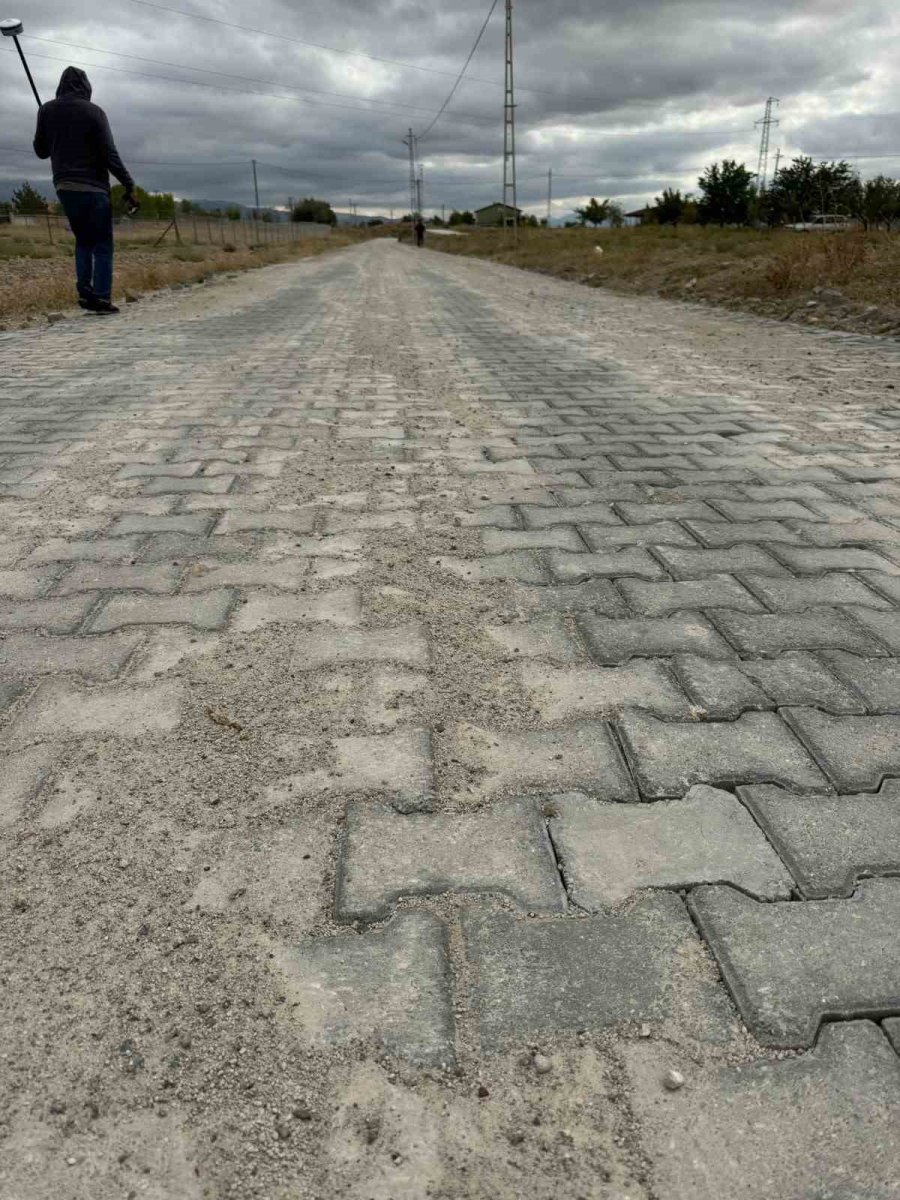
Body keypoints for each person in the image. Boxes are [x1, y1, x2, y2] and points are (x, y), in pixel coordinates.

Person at [33, 67, 136, 315]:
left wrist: (48, 128)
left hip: (64, 186)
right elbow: (110, 154)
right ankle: (101, 297)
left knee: (83, 240)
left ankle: (85, 291)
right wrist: (128, 183)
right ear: (86, 87)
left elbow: (41, 151)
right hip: (93, 187)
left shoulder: (46, 110)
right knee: (102, 243)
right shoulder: (95, 112)